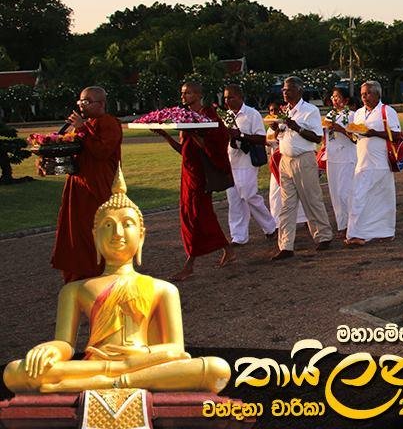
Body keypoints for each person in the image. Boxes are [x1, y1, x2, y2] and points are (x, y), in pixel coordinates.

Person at [4, 170, 231, 394]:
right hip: (98, 365)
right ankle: (117, 378)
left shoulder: (164, 289)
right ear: (95, 236)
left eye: (127, 224)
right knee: (14, 372)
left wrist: (133, 361)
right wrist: (51, 349)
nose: (118, 233)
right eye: (108, 225)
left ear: (141, 235)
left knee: (217, 368)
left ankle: (110, 381)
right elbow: (66, 344)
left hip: (141, 363)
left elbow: (175, 350)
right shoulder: (74, 290)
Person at [154, 82, 235, 281]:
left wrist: (194, 131)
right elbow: (183, 150)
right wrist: (165, 135)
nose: (183, 97)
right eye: (182, 93)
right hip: (188, 173)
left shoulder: (208, 116)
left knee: (198, 215)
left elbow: (215, 145)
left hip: (202, 174)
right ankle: (227, 248)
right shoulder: (185, 118)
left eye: (188, 93)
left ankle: (189, 264)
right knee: (192, 214)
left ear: (198, 95)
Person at [50, 86, 122, 284]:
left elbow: (102, 151)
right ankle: (79, 274)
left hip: (99, 187)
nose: (82, 105)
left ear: (101, 104)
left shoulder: (109, 123)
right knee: (77, 231)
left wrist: (82, 128)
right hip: (79, 184)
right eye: (81, 101)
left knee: (97, 230)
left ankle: (101, 273)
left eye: (87, 101)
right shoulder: (84, 124)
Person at [269, 77, 334, 260]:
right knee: (287, 205)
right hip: (285, 160)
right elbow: (280, 136)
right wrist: (277, 128)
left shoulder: (310, 110)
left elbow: (317, 138)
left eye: (288, 89)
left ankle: (323, 235)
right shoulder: (285, 111)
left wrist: (297, 127)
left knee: (311, 200)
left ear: (299, 90)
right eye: (283, 89)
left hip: (303, 159)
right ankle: (286, 245)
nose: (285, 92)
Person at [347, 81, 402, 245]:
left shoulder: (387, 111)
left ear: (378, 94)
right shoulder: (358, 113)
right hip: (363, 161)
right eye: (362, 94)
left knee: (383, 198)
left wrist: (375, 133)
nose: (364, 97)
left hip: (381, 162)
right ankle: (356, 233)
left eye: (368, 93)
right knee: (359, 197)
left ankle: (385, 232)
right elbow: (356, 136)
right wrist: (353, 133)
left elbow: (397, 135)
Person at [222, 84, 276, 247]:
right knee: (234, 199)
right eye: (225, 98)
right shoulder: (227, 116)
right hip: (231, 161)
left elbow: (261, 138)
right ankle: (238, 236)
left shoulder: (252, 114)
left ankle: (270, 226)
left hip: (247, 161)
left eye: (231, 97)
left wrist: (240, 135)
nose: (227, 101)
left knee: (249, 195)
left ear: (240, 97)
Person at [265, 101, 306, 226]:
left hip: (290, 161)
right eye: (271, 111)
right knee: (275, 193)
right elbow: (269, 147)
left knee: (298, 190)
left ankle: (303, 218)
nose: (274, 113)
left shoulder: (286, 125)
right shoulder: (270, 129)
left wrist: (277, 129)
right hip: (276, 165)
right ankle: (276, 222)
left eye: (276, 110)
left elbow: (285, 141)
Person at [323, 88, 357, 238]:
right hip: (332, 157)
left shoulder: (352, 115)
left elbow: (356, 137)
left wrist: (341, 129)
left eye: (337, 97)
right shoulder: (330, 115)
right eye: (333, 97)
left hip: (347, 157)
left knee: (345, 192)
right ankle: (342, 224)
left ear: (346, 100)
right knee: (335, 193)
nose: (334, 99)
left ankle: (353, 224)